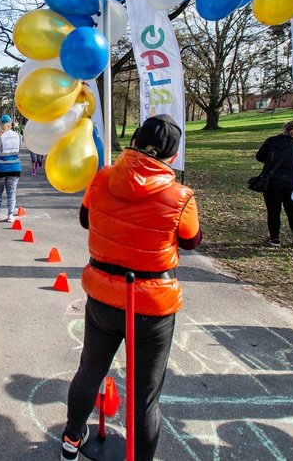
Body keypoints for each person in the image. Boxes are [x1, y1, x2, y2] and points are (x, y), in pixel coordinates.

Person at [60, 115, 201, 461]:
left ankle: (71, 441)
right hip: (151, 307)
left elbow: (85, 219)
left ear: (134, 141)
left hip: (104, 298)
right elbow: (192, 240)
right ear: (172, 155)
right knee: (145, 395)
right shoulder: (180, 196)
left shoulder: (103, 177)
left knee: (89, 371)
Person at [255, 120, 293, 248]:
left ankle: (274, 238)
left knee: (273, 211)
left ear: (285, 130)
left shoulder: (271, 141)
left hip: (272, 181)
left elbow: (260, 156)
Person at [0, 115, 22, 222]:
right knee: (11, 192)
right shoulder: (18, 136)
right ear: (10, 123)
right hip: (15, 168)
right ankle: (10, 215)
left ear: (0, 124)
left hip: (0, 168)